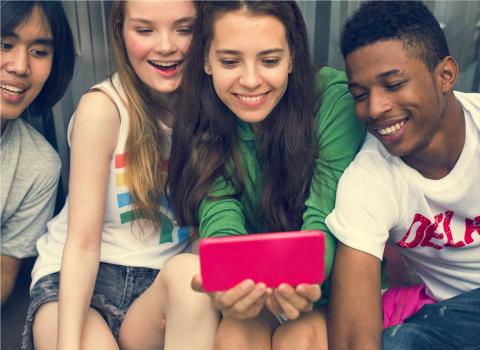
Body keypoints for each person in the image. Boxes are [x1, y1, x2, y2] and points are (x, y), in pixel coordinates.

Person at [167, 2, 364, 349]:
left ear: (292, 57)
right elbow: (220, 212)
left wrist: (303, 278)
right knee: (234, 337)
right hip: (255, 289)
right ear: (206, 60)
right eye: (230, 61)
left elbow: (326, 214)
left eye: (270, 60)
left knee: (299, 341)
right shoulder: (204, 114)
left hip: (326, 290)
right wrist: (227, 280)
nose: (251, 80)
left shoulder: (332, 101)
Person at [23, 1, 218, 350]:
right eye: (145, 30)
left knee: (192, 275)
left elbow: (205, 234)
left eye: (184, 29)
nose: (166, 46)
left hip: (158, 288)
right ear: (120, 33)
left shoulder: (215, 111)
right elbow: (83, 244)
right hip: (80, 283)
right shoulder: (104, 108)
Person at [326, 2, 480, 349]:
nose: (375, 108)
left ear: (445, 75)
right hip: (454, 318)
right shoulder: (370, 179)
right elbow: (352, 336)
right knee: (399, 342)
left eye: (393, 84)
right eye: (360, 95)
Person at [1, 1, 75, 305]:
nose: (20, 66)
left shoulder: (38, 165)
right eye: (5, 44)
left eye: (39, 52)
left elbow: (5, 269)